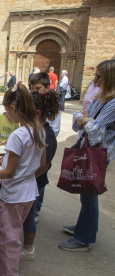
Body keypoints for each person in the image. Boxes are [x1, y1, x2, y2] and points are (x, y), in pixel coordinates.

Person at [0, 83, 46, 276]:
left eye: (6, 109)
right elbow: (41, 164)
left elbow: (8, 173)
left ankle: (8, 273)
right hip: (29, 192)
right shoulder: (38, 129)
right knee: (3, 230)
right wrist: (11, 161)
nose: (6, 113)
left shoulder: (18, 134)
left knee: (8, 238)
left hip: (14, 195)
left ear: (13, 108)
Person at [59, 59, 115, 251]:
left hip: (98, 153)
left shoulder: (113, 102)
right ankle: (85, 226)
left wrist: (86, 120)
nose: (95, 80)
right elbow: (79, 120)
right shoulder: (102, 98)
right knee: (86, 192)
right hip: (90, 148)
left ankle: (84, 238)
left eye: (98, 77)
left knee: (90, 194)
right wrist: (86, 120)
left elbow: (96, 131)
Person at [19, 90, 60, 260]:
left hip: (34, 182)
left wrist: (24, 177)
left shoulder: (47, 134)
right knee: (18, 214)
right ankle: (7, 239)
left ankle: (28, 249)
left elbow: (44, 166)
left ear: (36, 113)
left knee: (28, 216)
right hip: (27, 180)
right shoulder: (34, 130)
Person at [30, 72, 61, 137]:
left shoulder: (53, 104)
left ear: (47, 88)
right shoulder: (31, 101)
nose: (35, 91)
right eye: (32, 89)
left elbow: (55, 129)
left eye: (38, 88)